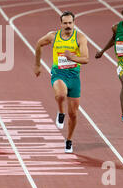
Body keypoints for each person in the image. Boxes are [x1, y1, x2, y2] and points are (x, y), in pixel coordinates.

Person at [34, 11, 89, 153]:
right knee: (60, 94)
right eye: (65, 23)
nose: (68, 26)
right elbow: (39, 44)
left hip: (74, 77)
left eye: (70, 23)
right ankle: (60, 112)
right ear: (61, 24)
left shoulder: (80, 38)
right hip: (59, 73)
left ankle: (69, 140)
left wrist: (72, 58)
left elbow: (86, 59)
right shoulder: (53, 36)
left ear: (74, 23)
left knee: (74, 114)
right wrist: (37, 65)